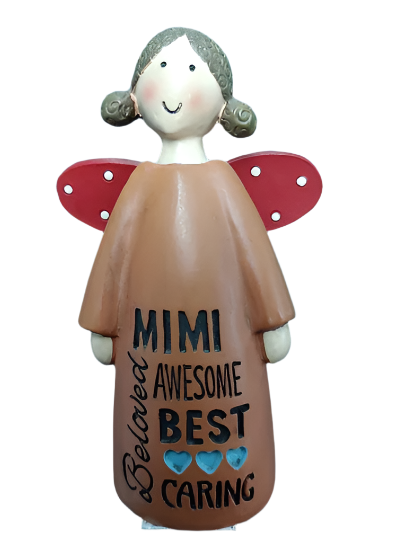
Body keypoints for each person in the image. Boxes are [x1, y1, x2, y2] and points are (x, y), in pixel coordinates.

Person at [80, 27, 294, 530]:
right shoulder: (140, 186)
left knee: (226, 436)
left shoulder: (223, 184)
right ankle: (159, 509)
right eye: (161, 69)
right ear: (135, 97)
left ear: (224, 105)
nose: (175, 83)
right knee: (156, 434)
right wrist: (102, 322)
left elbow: (254, 255)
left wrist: (273, 318)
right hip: (149, 355)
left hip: (228, 359)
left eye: (193, 70)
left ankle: (223, 508)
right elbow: (114, 256)